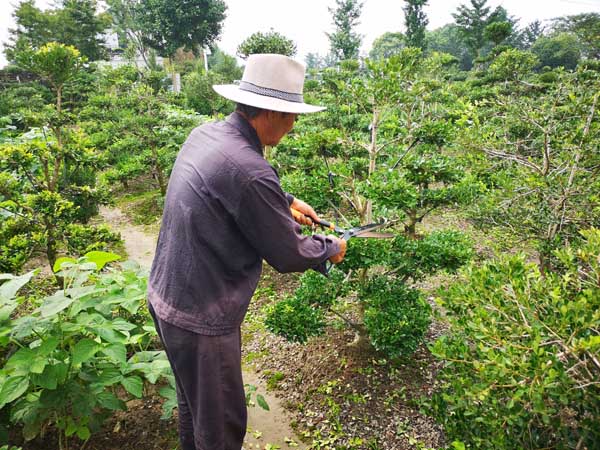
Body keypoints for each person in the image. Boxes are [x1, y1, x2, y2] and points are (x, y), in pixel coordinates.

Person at [147, 53, 347, 450]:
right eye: (292, 116)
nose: (294, 125)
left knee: (193, 410)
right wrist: (331, 247)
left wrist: (286, 200)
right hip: (202, 319)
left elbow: (229, 186)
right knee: (220, 428)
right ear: (270, 113)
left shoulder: (206, 134)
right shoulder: (251, 171)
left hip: (167, 299)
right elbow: (288, 254)